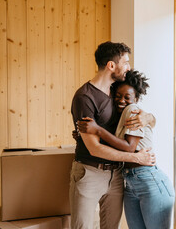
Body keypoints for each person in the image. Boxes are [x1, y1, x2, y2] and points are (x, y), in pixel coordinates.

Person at [70, 42, 156, 229]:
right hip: (90, 172)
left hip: (116, 174)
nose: (128, 67)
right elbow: (95, 148)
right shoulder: (84, 97)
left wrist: (147, 116)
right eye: (125, 62)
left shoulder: (118, 89)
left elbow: (143, 114)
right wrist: (136, 157)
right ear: (111, 65)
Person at [78, 69, 175, 229]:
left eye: (127, 97)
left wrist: (97, 129)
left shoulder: (133, 110)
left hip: (150, 181)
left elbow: (129, 148)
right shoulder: (119, 114)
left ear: (136, 98)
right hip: (130, 183)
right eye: (118, 96)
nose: (121, 100)